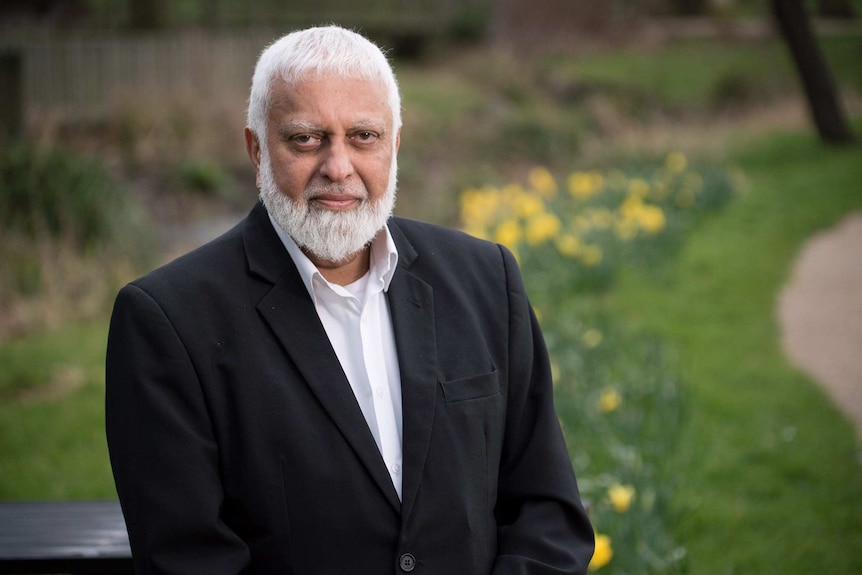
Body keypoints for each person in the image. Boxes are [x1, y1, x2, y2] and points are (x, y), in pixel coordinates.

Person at [105, 25, 594, 575]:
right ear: (256, 149)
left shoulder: (485, 281)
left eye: (363, 136)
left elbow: (547, 513)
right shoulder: (168, 323)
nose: (338, 168)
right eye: (306, 138)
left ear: (395, 144)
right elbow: (189, 561)